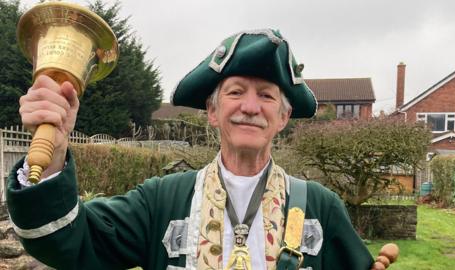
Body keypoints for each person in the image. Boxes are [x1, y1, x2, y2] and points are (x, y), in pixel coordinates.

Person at [7, 29, 388, 269]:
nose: (251, 107)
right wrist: (54, 151)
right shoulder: (160, 202)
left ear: (283, 117)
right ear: (212, 111)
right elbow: (61, 242)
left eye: (267, 96)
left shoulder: (321, 208)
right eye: (236, 92)